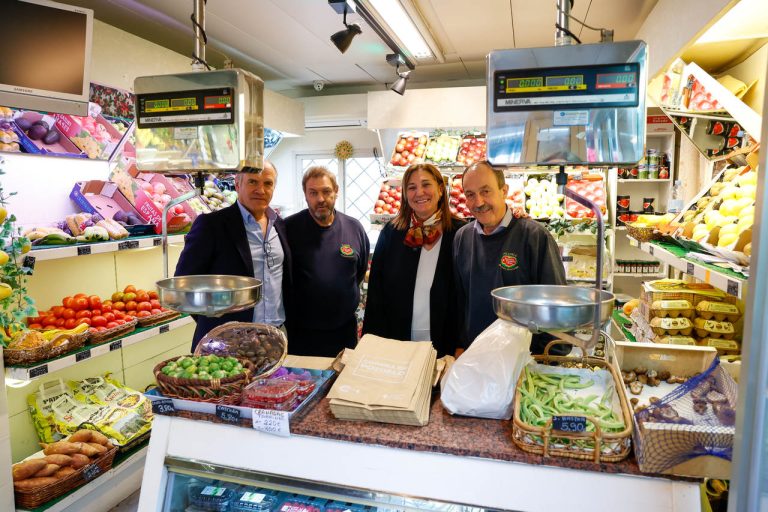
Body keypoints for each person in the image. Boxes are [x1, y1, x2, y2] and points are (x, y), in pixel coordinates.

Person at [453, 161, 567, 354]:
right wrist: (460, 345)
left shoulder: (535, 237)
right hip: (476, 356)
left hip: (523, 361)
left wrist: (548, 359)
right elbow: (459, 301)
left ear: (504, 190)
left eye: (486, 191)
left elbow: (555, 306)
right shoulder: (462, 238)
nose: (478, 202)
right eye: (470, 194)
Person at [175, 162, 291, 349]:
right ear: (237, 185)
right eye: (253, 182)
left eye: (268, 183)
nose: (260, 190)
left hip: (274, 338)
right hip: (226, 340)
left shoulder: (281, 226)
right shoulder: (211, 225)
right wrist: (213, 319)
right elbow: (184, 283)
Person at [363, 163, 465, 357]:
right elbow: (377, 293)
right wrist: (373, 342)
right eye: (412, 187)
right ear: (404, 194)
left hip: (447, 343)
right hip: (397, 341)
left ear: (441, 190)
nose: (420, 192)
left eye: (426, 184)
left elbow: (467, 295)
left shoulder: (461, 233)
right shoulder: (392, 233)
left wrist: (463, 342)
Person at [284, 166, 369, 357]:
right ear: (305, 195)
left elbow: (359, 271)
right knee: (305, 383)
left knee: (343, 383)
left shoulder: (354, 228)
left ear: (336, 192)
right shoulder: (288, 229)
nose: (320, 199)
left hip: (344, 331)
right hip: (302, 333)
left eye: (326, 191)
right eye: (313, 193)